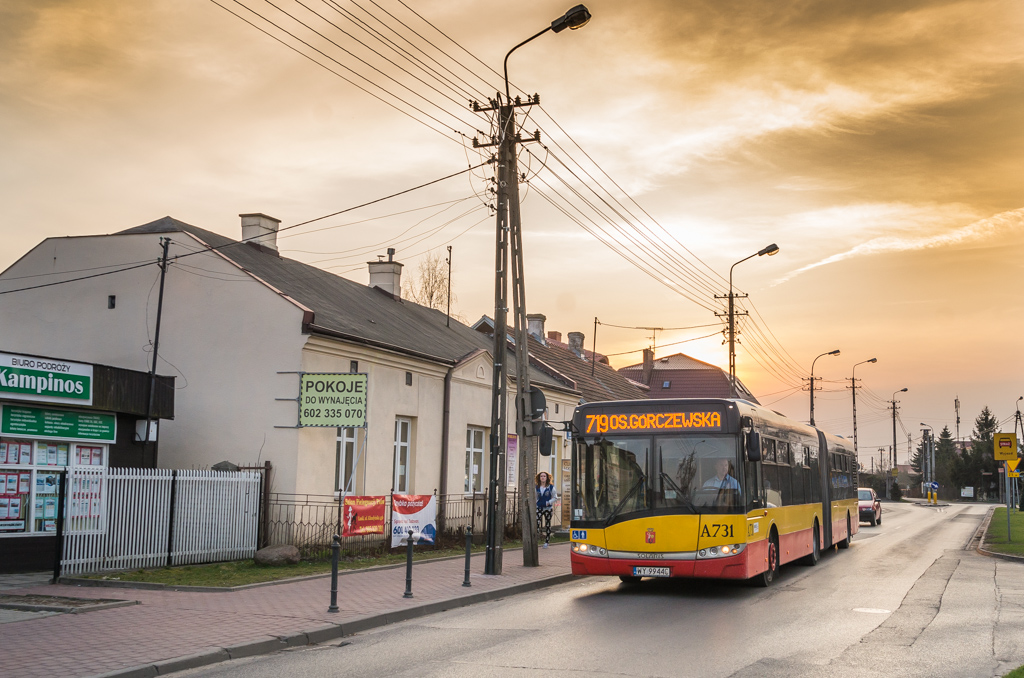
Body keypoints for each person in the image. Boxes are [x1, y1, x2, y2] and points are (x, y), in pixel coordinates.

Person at [535, 471, 557, 547]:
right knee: (537, 523)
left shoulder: (551, 487)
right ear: (539, 478)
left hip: (548, 508)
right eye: (541, 476)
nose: (543, 477)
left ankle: (547, 541)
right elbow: (535, 497)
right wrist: (536, 504)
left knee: (547, 524)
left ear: (547, 478)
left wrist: (549, 502)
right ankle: (536, 539)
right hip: (539, 507)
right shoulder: (537, 487)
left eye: (544, 476)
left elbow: (555, 497)